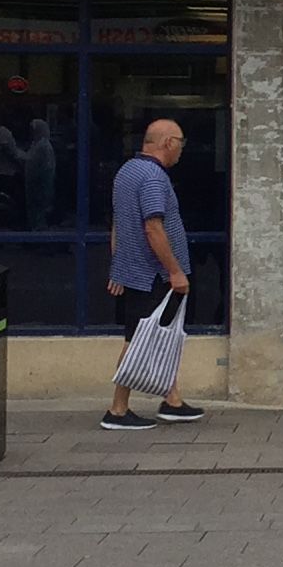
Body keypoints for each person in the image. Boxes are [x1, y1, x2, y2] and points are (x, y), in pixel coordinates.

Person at [101, 117, 204, 431]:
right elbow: (152, 227)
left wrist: (118, 266)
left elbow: (119, 223)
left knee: (160, 336)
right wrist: (175, 272)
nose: (181, 151)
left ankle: (172, 401)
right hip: (153, 275)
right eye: (181, 143)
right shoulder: (154, 178)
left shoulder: (127, 171)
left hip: (135, 272)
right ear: (168, 143)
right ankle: (118, 410)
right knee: (138, 339)